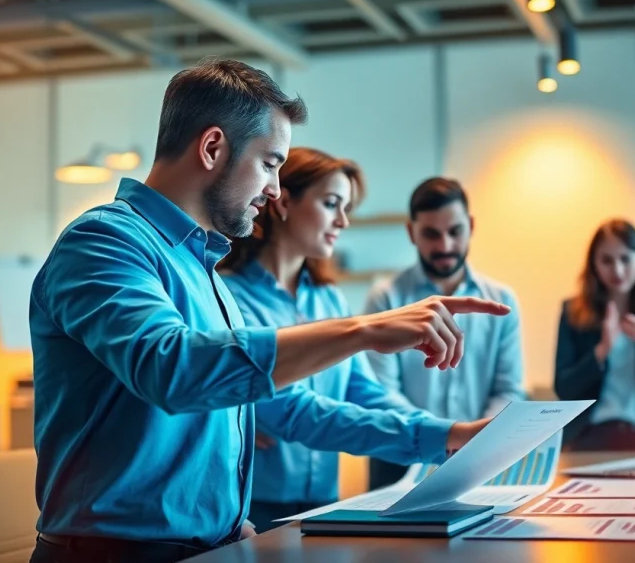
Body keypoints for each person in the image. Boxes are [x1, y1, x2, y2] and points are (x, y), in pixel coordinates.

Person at [28, 59, 508, 563]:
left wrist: (448, 437)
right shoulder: (104, 240)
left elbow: (287, 408)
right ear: (213, 148)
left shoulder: (207, 272)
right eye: (270, 163)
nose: (276, 190)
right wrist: (363, 330)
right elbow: (170, 367)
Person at [218, 147, 484, 533]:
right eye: (331, 204)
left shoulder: (330, 299)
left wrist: (448, 432)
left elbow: (365, 391)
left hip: (325, 500)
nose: (343, 220)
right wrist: (439, 436)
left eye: (346, 208)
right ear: (284, 201)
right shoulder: (231, 298)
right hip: (253, 506)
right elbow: (295, 411)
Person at [363, 177, 526, 490]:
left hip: (479, 460)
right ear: (411, 232)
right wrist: (444, 435)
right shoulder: (385, 299)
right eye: (431, 234)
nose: (445, 246)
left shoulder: (503, 301)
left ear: (471, 226)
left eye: (455, 232)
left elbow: (508, 389)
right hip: (400, 462)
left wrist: (473, 439)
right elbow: (380, 393)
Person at [553, 219, 635, 451]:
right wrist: (601, 351)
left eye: (625, 259)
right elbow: (563, 388)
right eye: (607, 261)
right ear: (594, 264)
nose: (618, 270)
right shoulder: (573, 310)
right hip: (590, 436)